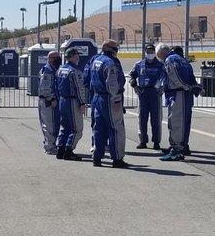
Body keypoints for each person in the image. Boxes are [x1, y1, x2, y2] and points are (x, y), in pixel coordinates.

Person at [156, 43, 202, 161]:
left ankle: (177, 149)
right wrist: (194, 87)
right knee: (185, 122)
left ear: (161, 53)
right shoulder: (184, 60)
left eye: (158, 55)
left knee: (176, 122)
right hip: (185, 95)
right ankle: (182, 145)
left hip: (177, 94)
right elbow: (191, 77)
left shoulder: (170, 60)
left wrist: (186, 87)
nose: (159, 58)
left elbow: (175, 77)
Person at [90, 39, 128, 168]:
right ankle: (117, 159)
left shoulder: (96, 60)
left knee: (99, 129)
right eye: (115, 47)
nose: (116, 49)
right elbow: (112, 84)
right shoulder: (109, 62)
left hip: (97, 97)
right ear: (109, 48)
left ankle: (97, 157)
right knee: (116, 129)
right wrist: (117, 98)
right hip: (109, 98)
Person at [128, 43, 164, 150]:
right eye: (148, 52)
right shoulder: (139, 64)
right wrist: (134, 84)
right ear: (145, 52)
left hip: (155, 94)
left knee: (156, 119)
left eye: (152, 52)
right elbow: (131, 75)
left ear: (155, 52)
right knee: (142, 118)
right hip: (143, 93)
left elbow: (166, 77)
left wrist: (162, 87)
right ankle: (143, 141)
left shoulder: (161, 65)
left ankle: (156, 142)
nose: (150, 53)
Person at [55, 48, 87, 161]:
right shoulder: (74, 71)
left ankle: (60, 149)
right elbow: (79, 88)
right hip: (72, 101)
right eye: (77, 55)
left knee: (64, 127)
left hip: (62, 100)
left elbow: (56, 86)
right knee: (77, 129)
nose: (78, 57)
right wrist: (82, 103)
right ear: (73, 56)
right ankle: (69, 150)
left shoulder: (60, 69)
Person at [38, 50, 61, 155]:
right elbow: (45, 87)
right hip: (48, 101)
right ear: (51, 59)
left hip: (52, 100)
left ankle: (51, 145)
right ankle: (50, 147)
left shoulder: (53, 69)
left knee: (54, 124)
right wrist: (51, 99)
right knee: (49, 125)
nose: (59, 59)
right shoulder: (47, 70)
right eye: (57, 57)